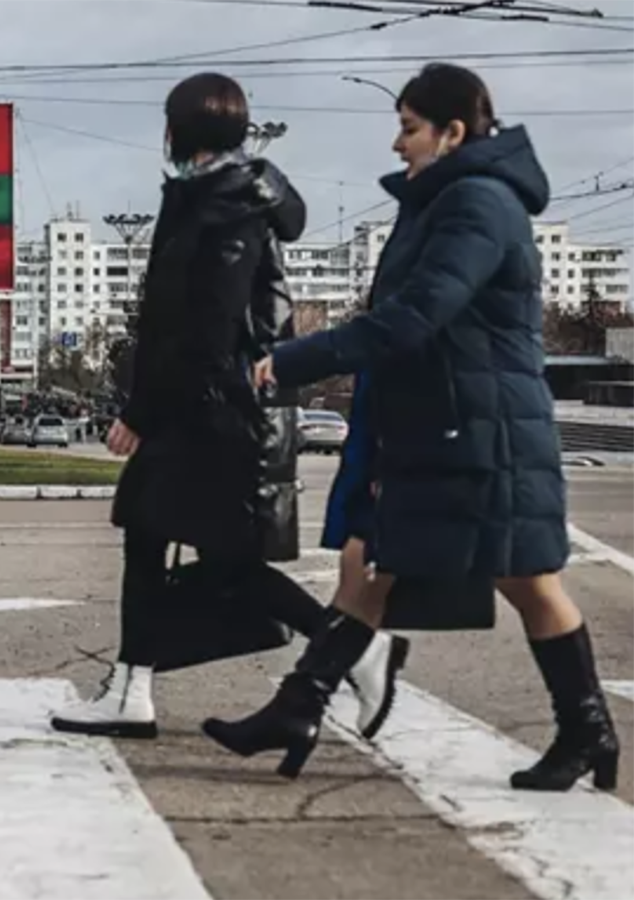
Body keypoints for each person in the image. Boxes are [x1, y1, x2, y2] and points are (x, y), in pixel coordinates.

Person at [201, 63, 620, 791]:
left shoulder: (479, 204)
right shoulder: (445, 203)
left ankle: (587, 729)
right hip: (448, 426)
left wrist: (294, 358)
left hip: (484, 431)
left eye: (408, 128)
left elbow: (414, 316)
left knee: (528, 580)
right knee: (370, 561)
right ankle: (298, 706)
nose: (398, 146)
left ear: (452, 132)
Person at [50, 72, 403, 739]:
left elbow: (204, 327)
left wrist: (143, 411)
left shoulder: (227, 204)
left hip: (218, 413)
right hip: (206, 407)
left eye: (169, 122)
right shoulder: (207, 196)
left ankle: (354, 649)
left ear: (184, 130)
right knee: (154, 541)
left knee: (224, 563)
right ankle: (132, 690)